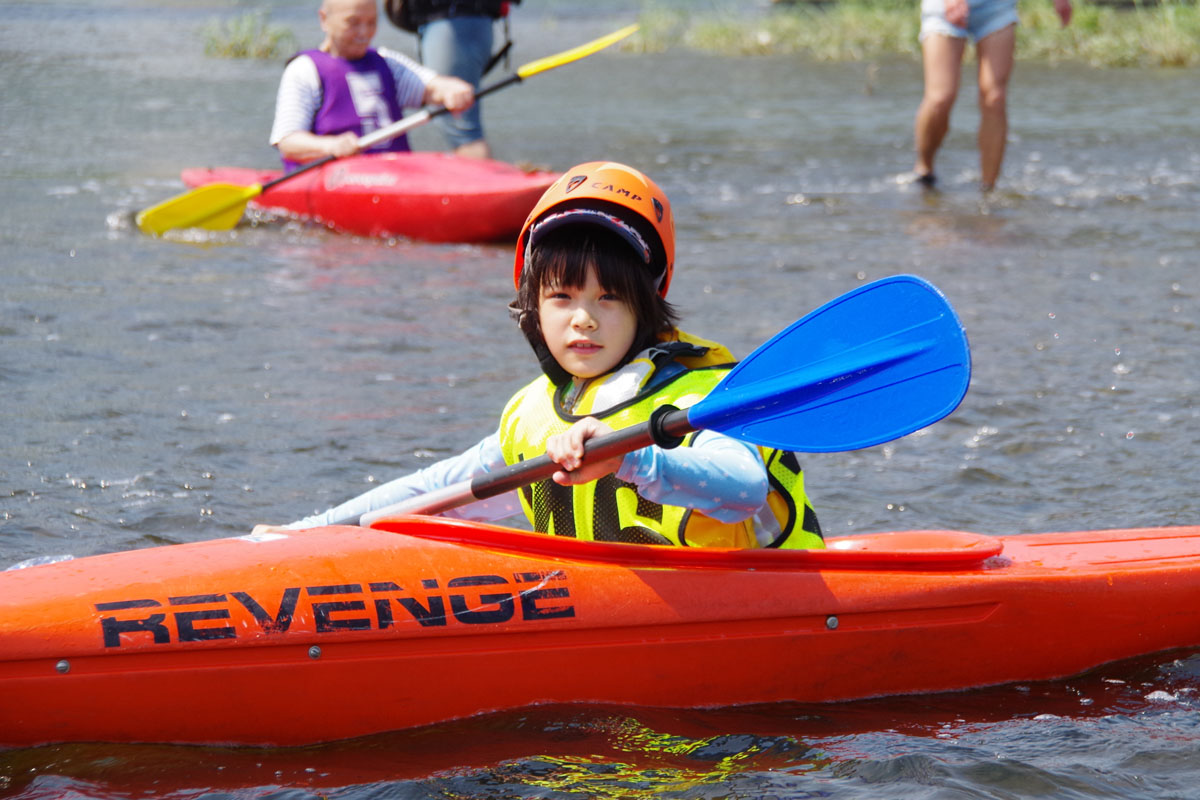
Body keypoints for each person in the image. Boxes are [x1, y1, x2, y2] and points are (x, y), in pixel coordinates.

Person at [260, 162, 824, 549]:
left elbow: (743, 487)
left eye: (609, 298)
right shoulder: (533, 415)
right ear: (532, 308)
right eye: (561, 297)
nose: (583, 318)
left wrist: (628, 460)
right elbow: (430, 492)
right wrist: (311, 531)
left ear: (645, 307)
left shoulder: (702, 396)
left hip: (763, 608)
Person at [269, 0, 477, 171]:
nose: (364, 32)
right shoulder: (304, 70)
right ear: (324, 20)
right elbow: (288, 142)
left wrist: (452, 91)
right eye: (353, 22)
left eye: (371, 22)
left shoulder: (387, 61)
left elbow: (433, 86)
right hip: (336, 176)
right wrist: (331, 146)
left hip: (394, 174)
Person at [912, 0, 1071, 191]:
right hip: (943, 7)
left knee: (994, 97)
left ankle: (988, 190)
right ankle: (925, 169)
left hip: (997, 6)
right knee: (940, 98)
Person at [385, 0, 520, 160]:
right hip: (466, 24)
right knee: (458, 121)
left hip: (454, 25)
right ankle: (475, 177)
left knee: (462, 128)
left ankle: (482, 181)